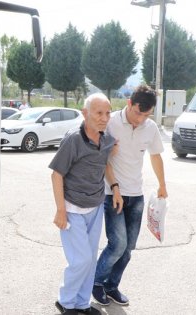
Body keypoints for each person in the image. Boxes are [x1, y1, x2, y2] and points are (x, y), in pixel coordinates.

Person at [92, 84, 168, 307]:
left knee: (128, 249)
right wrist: (114, 186)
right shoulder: (111, 122)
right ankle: (96, 282)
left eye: (146, 115)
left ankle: (112, 286)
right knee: (117, 244)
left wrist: (163, 184)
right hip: (112, 193)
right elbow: (102, 158)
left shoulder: (150, 127)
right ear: (129, 103)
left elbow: (156, 156)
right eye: (138, 113)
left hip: (136, 195)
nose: (140, 119)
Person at [50, 93, 117, 315]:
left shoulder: (106, 140)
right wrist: (60, 210)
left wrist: (115, 189)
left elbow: (105, 164)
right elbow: (57, 175)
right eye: (99, 113)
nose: (104, 118)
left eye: (107, 113)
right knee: (81, 260)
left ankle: (81, 303)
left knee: (90, 260)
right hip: (72, 209)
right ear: (85, 113)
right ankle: (66, 302)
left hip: (95, 207)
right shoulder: (73, 140)